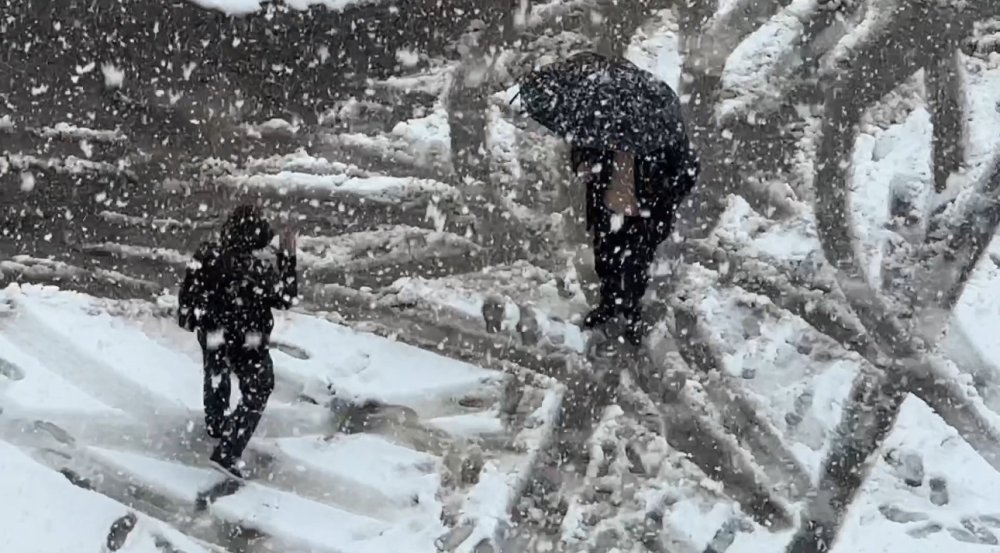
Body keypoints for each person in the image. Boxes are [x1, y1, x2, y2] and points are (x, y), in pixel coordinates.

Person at [177, 205, 298, 477]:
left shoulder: (207, 254)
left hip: (214, 330)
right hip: (249, 338)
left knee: (216, 371)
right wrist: (288, 257)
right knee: (259, 386)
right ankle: (228, 449)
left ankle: (217, 423)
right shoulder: (260, 269)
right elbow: (286, 298)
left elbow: (188, 295)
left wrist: (190, 315)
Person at [574, 143, 699, 346]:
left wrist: (665, 191)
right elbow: (580, 149)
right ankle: (608, 305)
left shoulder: (660, 136)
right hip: (608, 210)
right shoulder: (604, 131)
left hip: (643, 217)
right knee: (606, 262)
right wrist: (582, 164)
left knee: (636, 268)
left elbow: (689, 171)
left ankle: (632, 312)